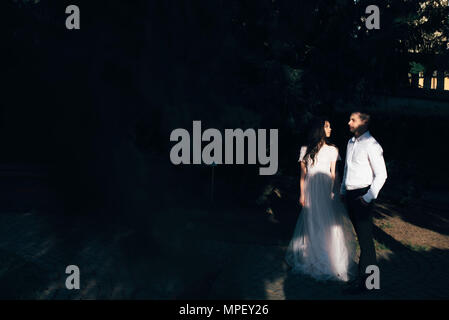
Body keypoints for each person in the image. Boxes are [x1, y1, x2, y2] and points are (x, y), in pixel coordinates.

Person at [285, 118, 357, 282]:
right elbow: (303, 176)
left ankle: (331, 258)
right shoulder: (305, 150)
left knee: (328, 223)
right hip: (311, 191)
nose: (330, 128)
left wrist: (335, 191)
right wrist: (302, 194)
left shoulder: (333, 150)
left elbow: (333, 173)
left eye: (330, 126)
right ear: (319, 129)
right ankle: (312, 256)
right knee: (312, 222)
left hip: (325, 191)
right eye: (327, 126)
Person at [340, 111, 387, 294]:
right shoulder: (350, 143)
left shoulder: (372, 145)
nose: (349, 122)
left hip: (363, 195)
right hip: (351, 195)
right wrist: (343, 191)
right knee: (364, 239)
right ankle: (371, 282)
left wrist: (368, 197)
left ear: (364, 122)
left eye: (353, 119)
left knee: (365, 241)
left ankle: (364, 282)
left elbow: (382, 174)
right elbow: (346, 169)